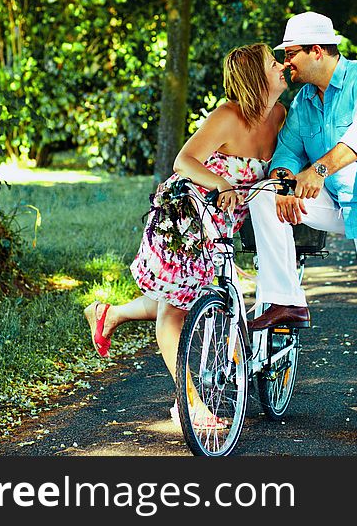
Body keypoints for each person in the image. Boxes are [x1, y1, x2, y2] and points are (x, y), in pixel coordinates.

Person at [246, 11, 357, 443]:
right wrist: (288, 184)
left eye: (290, 54)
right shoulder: (304, 102)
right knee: (263, 195)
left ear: (316, 50)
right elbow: (286, 154)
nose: (286, 63)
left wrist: (318, 170)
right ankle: (286, 299)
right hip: (340, 203)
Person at [84, 43, 287, 428]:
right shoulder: (227, 116)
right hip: (185, 215)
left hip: (224, 218)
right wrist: (222, 182)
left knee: (183, 298)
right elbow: (183, 161)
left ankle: (109, 314)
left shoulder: (278, 115)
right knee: (174, 309)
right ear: (255, 77)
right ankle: (190, 405)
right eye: (272, 63)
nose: (282, 67)